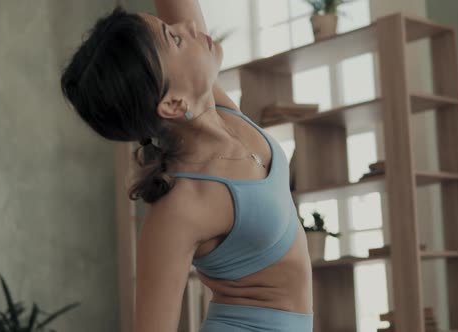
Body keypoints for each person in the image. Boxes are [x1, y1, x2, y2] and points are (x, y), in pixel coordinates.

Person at [60, 0, 314, 331]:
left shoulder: (222, 114)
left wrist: (174, 36)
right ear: (173, 102)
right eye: (174, 38)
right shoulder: (182, 204)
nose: (189, 28)